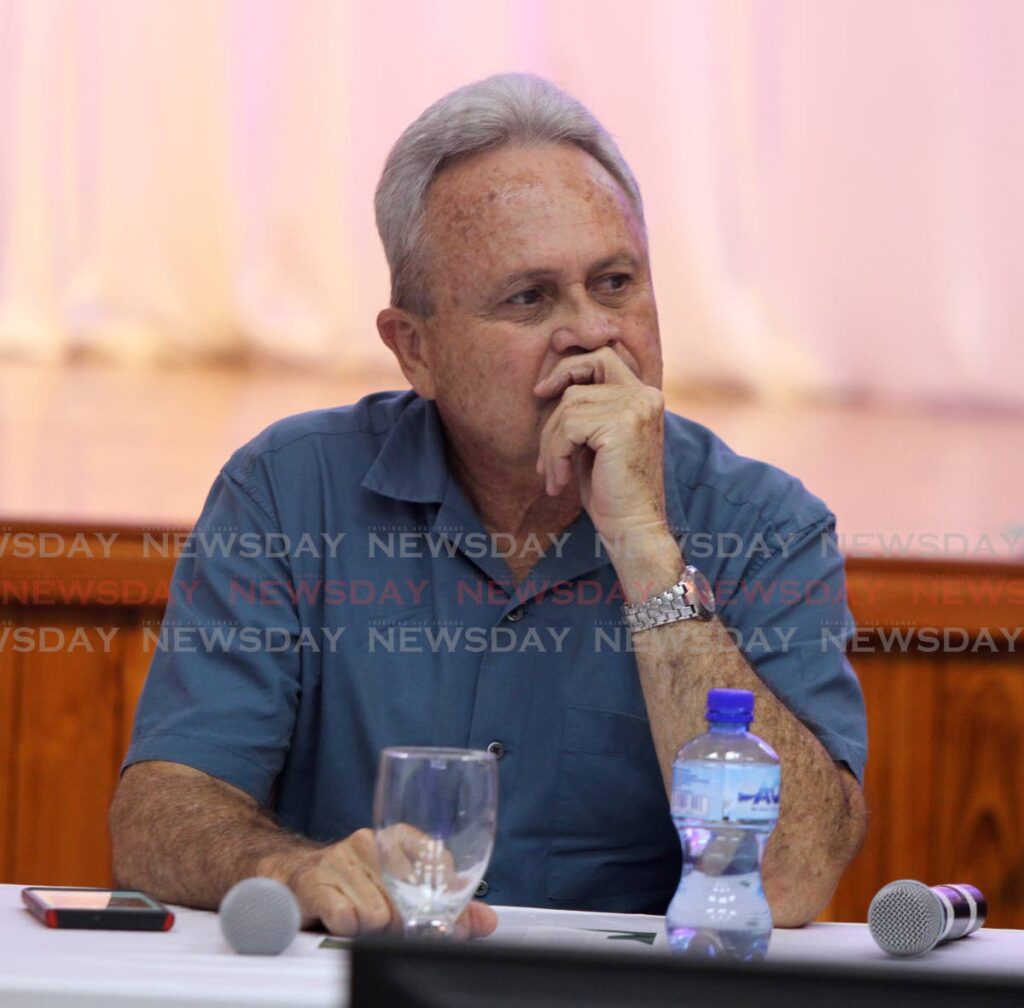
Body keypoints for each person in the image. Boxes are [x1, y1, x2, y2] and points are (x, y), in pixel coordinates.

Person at [110, 73, 867, 938]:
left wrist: (646, 548)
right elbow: (158, 816)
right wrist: (286, 867)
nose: (590, 331)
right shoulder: (289, 490)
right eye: (529, 298)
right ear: (415, 350)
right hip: (364, 982)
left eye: (615, 282)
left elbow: (794, 879)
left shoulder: (764, 525)